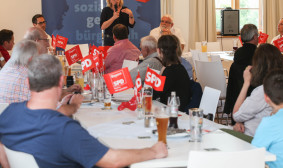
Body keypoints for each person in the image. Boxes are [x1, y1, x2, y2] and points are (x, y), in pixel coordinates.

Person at [0, 54, 167, 168]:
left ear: (28, 83)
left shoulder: (8, 114)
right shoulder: (64, 129)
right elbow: (113, 160)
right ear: (60, 82)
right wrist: (153, 150)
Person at [0, 39, 81, 116]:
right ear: (31, 59)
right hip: (25, 126)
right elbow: (55, 111)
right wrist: (72, 104)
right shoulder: (27, 77)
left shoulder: (6, 71)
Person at [232, 43, 283, 136]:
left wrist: (246, 83)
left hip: (252, 139)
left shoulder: (262, 91)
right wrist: (241, 121)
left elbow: (236, 115)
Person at [224, 24, 259, 121]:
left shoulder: (238, 55)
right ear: (255, 37)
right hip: (254, 101)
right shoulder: (259, 55)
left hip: (237, 100)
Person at [153, 35, 191, 112]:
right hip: (179, 108)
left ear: (158, 51)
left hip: (174, 112)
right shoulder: (180, 67)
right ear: (176, 49)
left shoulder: (169, 71)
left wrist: (161, 73)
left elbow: (154, 94)